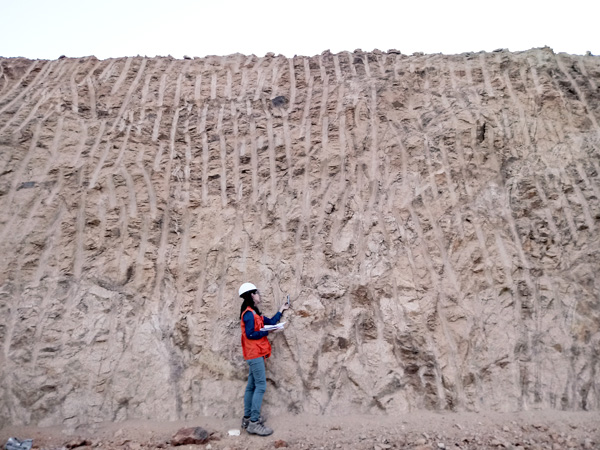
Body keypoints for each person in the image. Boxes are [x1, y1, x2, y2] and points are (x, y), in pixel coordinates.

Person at [239, 282, 289, 436]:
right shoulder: (248, 314)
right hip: (254, 355)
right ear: (252, 295)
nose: (259, 295)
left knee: (251, 385)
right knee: (260, 386)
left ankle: (247, 419)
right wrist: (266, 332)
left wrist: (281, 310)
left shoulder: (254, 313)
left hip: (255, 354)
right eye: (257, 293)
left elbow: (271, 322)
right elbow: (250, 334)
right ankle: (254, 422)